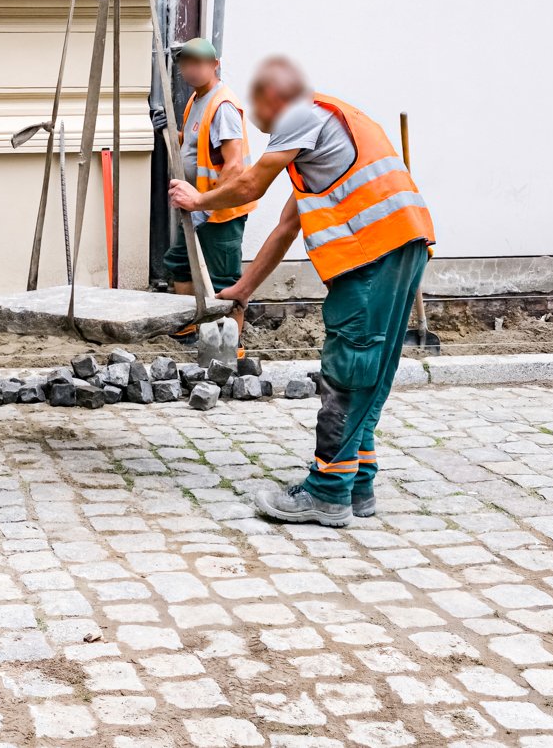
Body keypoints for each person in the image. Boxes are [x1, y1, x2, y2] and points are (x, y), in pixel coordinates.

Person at [168, 56, 435, 527]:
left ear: (277, 98)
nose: (257, 123)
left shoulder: (300, 116)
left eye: (258, 110)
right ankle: (358, 483)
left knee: (348, 370)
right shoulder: (328, 131)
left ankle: (328, 492)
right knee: (368, 373)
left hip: (372, 258)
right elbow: (286, 227)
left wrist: (200, 199)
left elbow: (249, 184)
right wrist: (243, 290)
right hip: (402, 251)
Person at [162, 38, 254, 346]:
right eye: (186, 63)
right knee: (180, 264)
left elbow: (234, 165)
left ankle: (231, 346)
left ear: (215, 65)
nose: (191, 69)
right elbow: (196, 145)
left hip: (220, 212)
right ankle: (191, 325)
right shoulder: (197, 99)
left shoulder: (222, 104)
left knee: (225, 280)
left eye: (199, 63)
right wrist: (169, 131)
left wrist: (208, 204)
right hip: (196, 206)